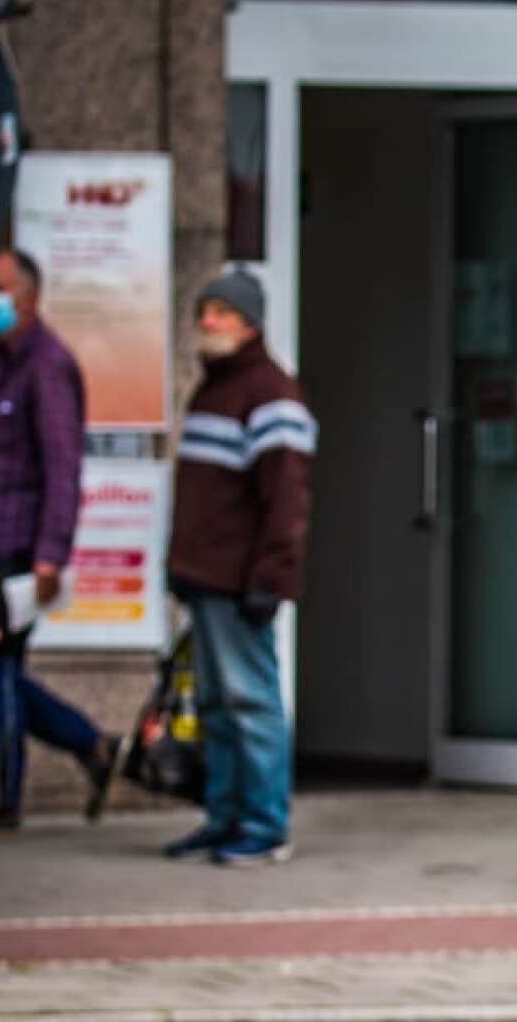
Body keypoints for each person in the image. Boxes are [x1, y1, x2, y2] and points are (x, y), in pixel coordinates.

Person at [163, 270, 315, 867]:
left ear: (249, 322)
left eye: (221, 312)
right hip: (204, 577)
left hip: (240, 581)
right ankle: (224, 818)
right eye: (204, 310)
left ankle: (264, 825)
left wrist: (272, 578)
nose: (207, 322)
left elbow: (288, 500)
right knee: (217, 707)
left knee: (251, 702)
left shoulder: (270, 394)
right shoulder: (215, 387)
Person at [0, 247, 117, 829]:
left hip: (15, 551)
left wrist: (52, 553)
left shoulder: (46, 366)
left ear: (28, 298)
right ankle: (89, 745)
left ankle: (2, 799)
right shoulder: (3, 361)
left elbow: (63, 466)